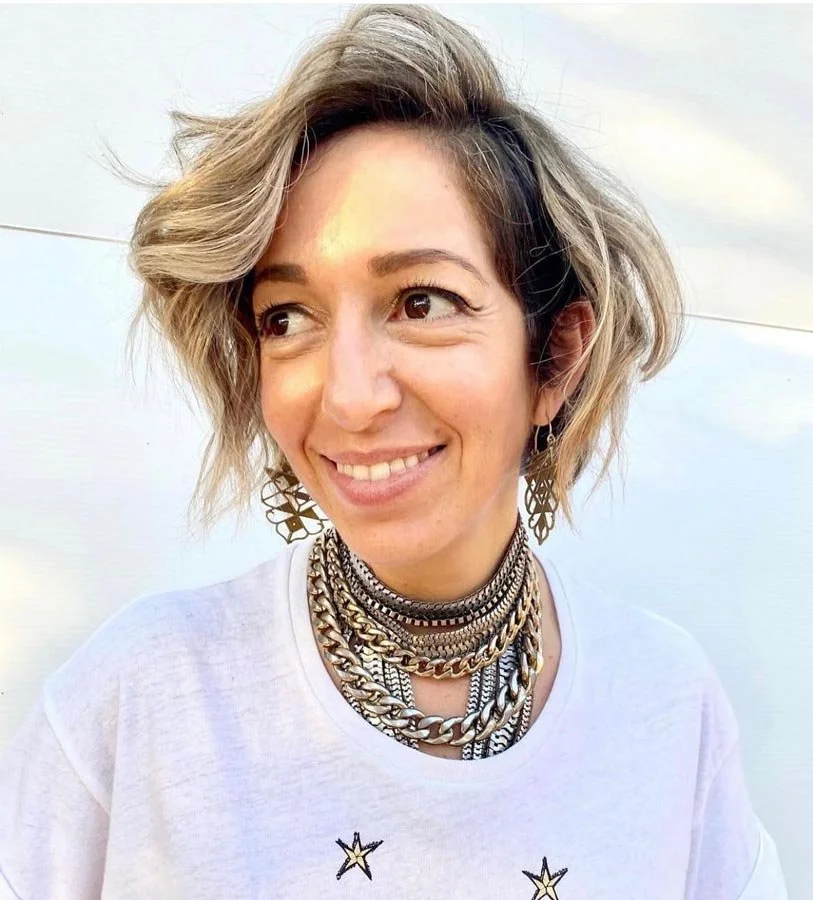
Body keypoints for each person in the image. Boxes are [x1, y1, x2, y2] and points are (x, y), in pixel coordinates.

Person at [0, 5, 788, 898]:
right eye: (286, 318)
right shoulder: (140, 696)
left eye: (420, 302)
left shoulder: (664, 705)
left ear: (554, 356)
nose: (348, 394)